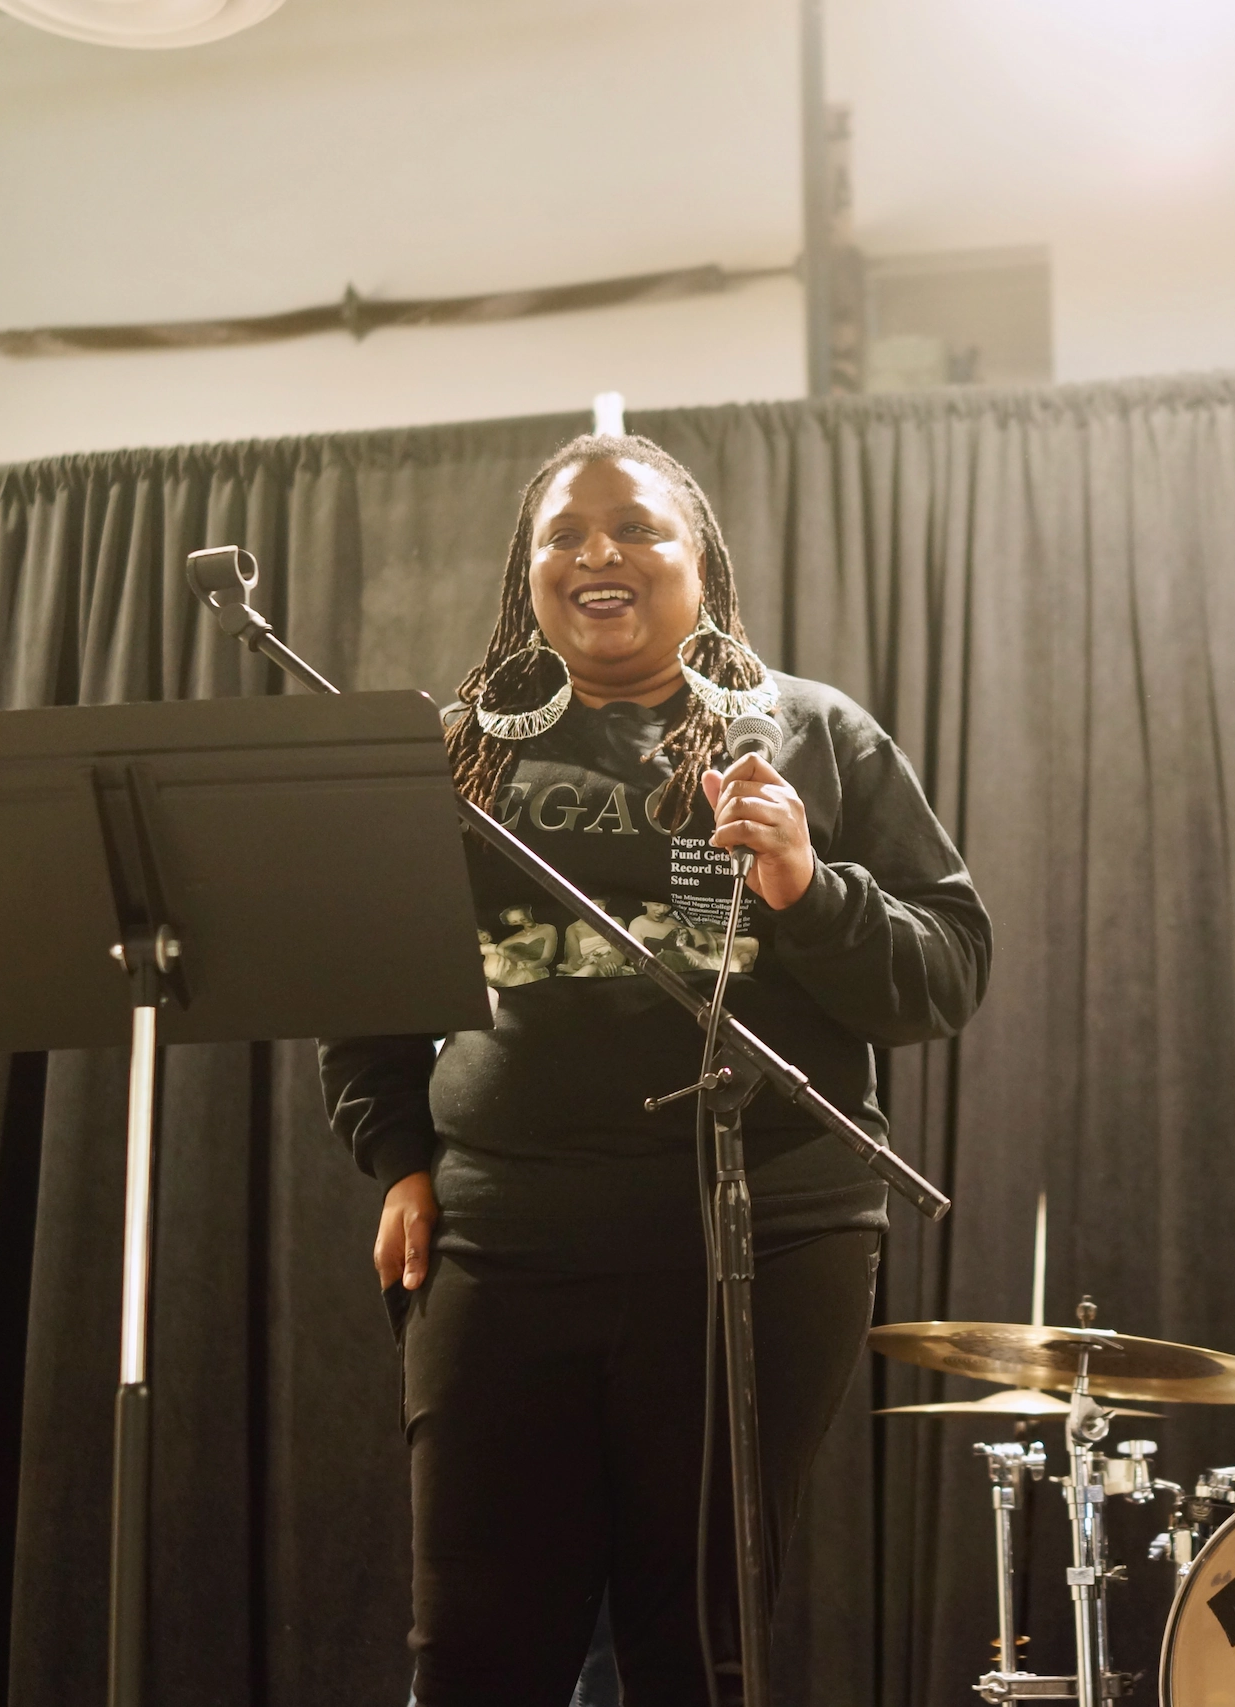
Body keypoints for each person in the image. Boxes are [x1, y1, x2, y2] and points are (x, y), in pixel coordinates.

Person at [320, 433, 991, 1706]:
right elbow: (365, 995)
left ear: (701, 563)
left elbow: (945, 971)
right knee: (474, 1648)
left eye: (637, 529)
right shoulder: (456, 756)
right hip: (502, 1245)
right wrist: (401, 1162)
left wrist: (807, 888)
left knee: (696, 1645)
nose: (599, 555)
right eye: (564, 536)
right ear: (527, 573)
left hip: (760, 1241)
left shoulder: (811, 736)